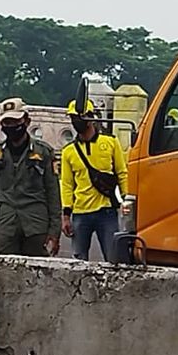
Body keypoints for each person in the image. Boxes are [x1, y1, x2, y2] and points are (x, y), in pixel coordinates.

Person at [0, 98, 62, 258]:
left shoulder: (44, 152)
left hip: (36, 224)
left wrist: (54, 230)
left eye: (15, 121)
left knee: (37, 272)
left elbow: (53, 192)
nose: (11, 126)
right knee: (1, 270)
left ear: (27, 121)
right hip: (7, 224)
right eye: (7, 122)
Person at [60, 99, 127, 262]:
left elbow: (122, 173)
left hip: (107, 211)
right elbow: (67, 184)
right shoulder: (68, 152)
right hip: (80, 213)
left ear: (90, 118)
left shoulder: (110, 142)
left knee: (114, 260)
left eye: (79, 117)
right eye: (73, 118)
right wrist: (66, 215)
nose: (76, 122)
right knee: (78, 262)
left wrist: (126, 200)